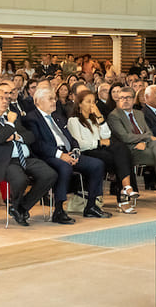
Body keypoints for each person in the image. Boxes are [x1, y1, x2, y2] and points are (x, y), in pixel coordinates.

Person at [0, 87, 57, 227]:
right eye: (1, 98)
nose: (6, 101)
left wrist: (16, 136)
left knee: (50, 174)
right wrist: (10, 124)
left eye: (7, 98)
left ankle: (20, 207)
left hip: (25, 158)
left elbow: (31, 136)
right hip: (2, 161)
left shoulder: (12, 117)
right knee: (20, 179)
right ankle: (18, 208)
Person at [25, 88, 109, 221]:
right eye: (50, 99)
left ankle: (91, 206)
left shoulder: (57, 116)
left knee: (97, 164)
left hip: (68, 152)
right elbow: (37, 144)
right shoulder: (31, 118)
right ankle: (59, 210)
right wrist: (60, 155)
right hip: (49, 156)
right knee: (65, 167)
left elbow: (71, 138)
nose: (54, 101)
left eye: (54, 98)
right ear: (38, 102)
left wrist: (75, 151)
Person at [106, 87, 156, 208]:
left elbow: (149, 133)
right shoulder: (114, 116)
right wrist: (144, 138)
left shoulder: (139, 114)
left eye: (128, 97)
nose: (125, 100)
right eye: (122, 98)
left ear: (134, 99)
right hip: (130, 150)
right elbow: (125, 137)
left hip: (145, 146)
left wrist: (145, 141)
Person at [67, 91, 138, 213]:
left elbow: (107, 134)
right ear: (79, 104)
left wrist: (100, 116)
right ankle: (124, 198)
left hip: (99, 150)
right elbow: (79, 144)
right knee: (120, 159)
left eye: (94, 102)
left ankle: (126, 188)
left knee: (122, 150)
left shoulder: (95, 119)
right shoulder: (73, 121)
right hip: (86, 152)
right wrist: (99, 142)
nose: (92, 105)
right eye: (88, 102)